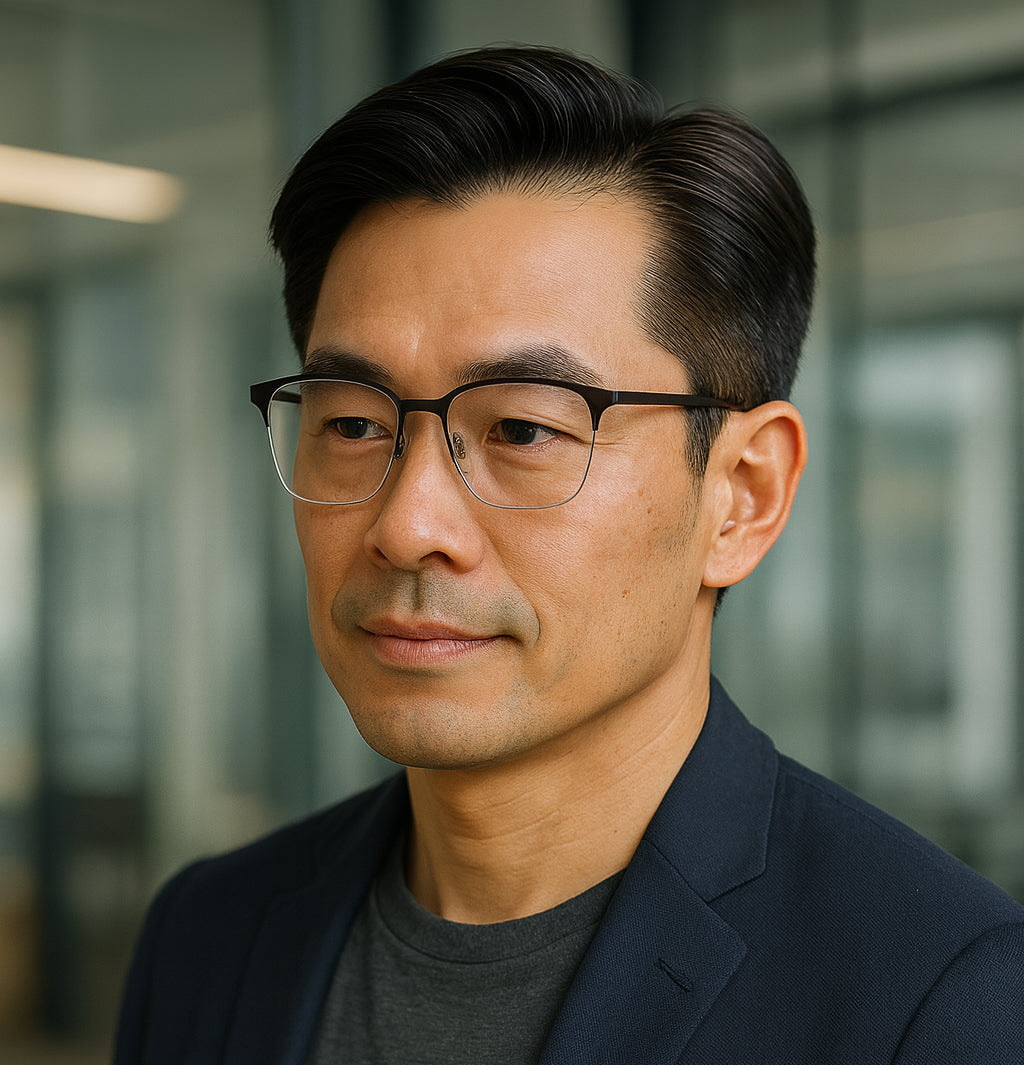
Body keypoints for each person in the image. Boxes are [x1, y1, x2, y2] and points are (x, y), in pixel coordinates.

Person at [114, 45, 1024, 1064]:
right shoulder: (210, 935)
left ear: (742, 494)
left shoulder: (938, 996)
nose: (409, 524)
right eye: (355, 423)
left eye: (523, 431)